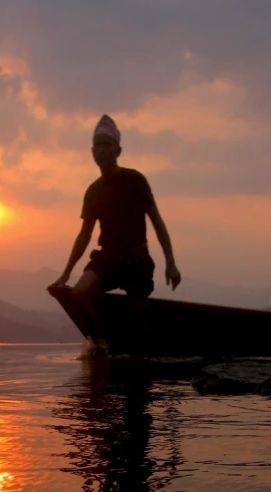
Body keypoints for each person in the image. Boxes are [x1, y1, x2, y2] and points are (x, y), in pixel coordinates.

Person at [49, 114, 182, 352]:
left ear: (117, 151)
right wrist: (66, 274)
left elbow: (157, 222)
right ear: (92, 152)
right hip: (107, 257)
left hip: (136, 258)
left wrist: (170, 263)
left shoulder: (134, 180)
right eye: (97, 145)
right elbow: (84, 236)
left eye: (106, 145)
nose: (101, 150)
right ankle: (102, 343)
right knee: (79, 293)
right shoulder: (93, 191)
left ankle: (139, 351)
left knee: (138, 316)